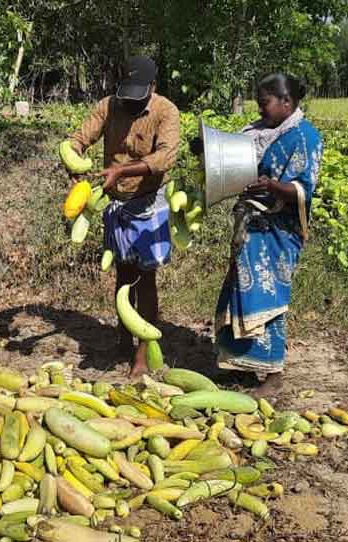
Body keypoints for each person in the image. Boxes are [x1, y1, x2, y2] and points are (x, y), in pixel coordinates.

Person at [207, 73, 323, 396]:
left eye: (265, 103)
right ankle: (239, 366)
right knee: (241, 294)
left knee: (269, 297)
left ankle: (273, 375)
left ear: (287, 102)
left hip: (277, 230)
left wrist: (272, 186)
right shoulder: (260, 132)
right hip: (250, 226)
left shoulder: (305, 137)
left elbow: (303, 189)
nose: (260, 110)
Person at [68, 56, 180, 378]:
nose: (129, 103)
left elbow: (164, 158)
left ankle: (142, 354)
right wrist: (73, 160)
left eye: (137, 96)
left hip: (148, 204)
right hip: (116, 204)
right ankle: (122, 338)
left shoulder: (165, 111)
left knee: (146, 280)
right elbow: (79, 138)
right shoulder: (108, 105)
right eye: (125, 94)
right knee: (122, 275)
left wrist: (122, 170)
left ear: (153, 87)